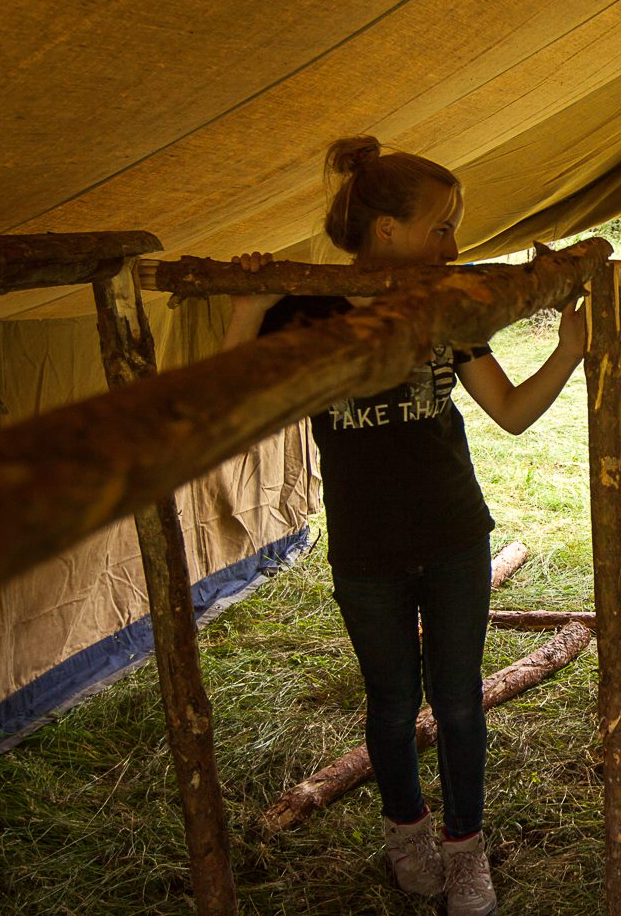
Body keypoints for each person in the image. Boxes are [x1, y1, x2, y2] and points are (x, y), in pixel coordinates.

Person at [223, 136, 585, 916]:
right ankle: (407, 834)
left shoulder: (440, 307)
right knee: (390, 704)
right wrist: (250, 309)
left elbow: (510, 411)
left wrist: (568, 353)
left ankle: (465, 849)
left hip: (455, 535)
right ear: (387, 231)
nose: (453, 246)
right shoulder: (304, 311)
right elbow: (233, 415)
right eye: (441, 227)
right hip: (367, 550)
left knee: (457, 702)